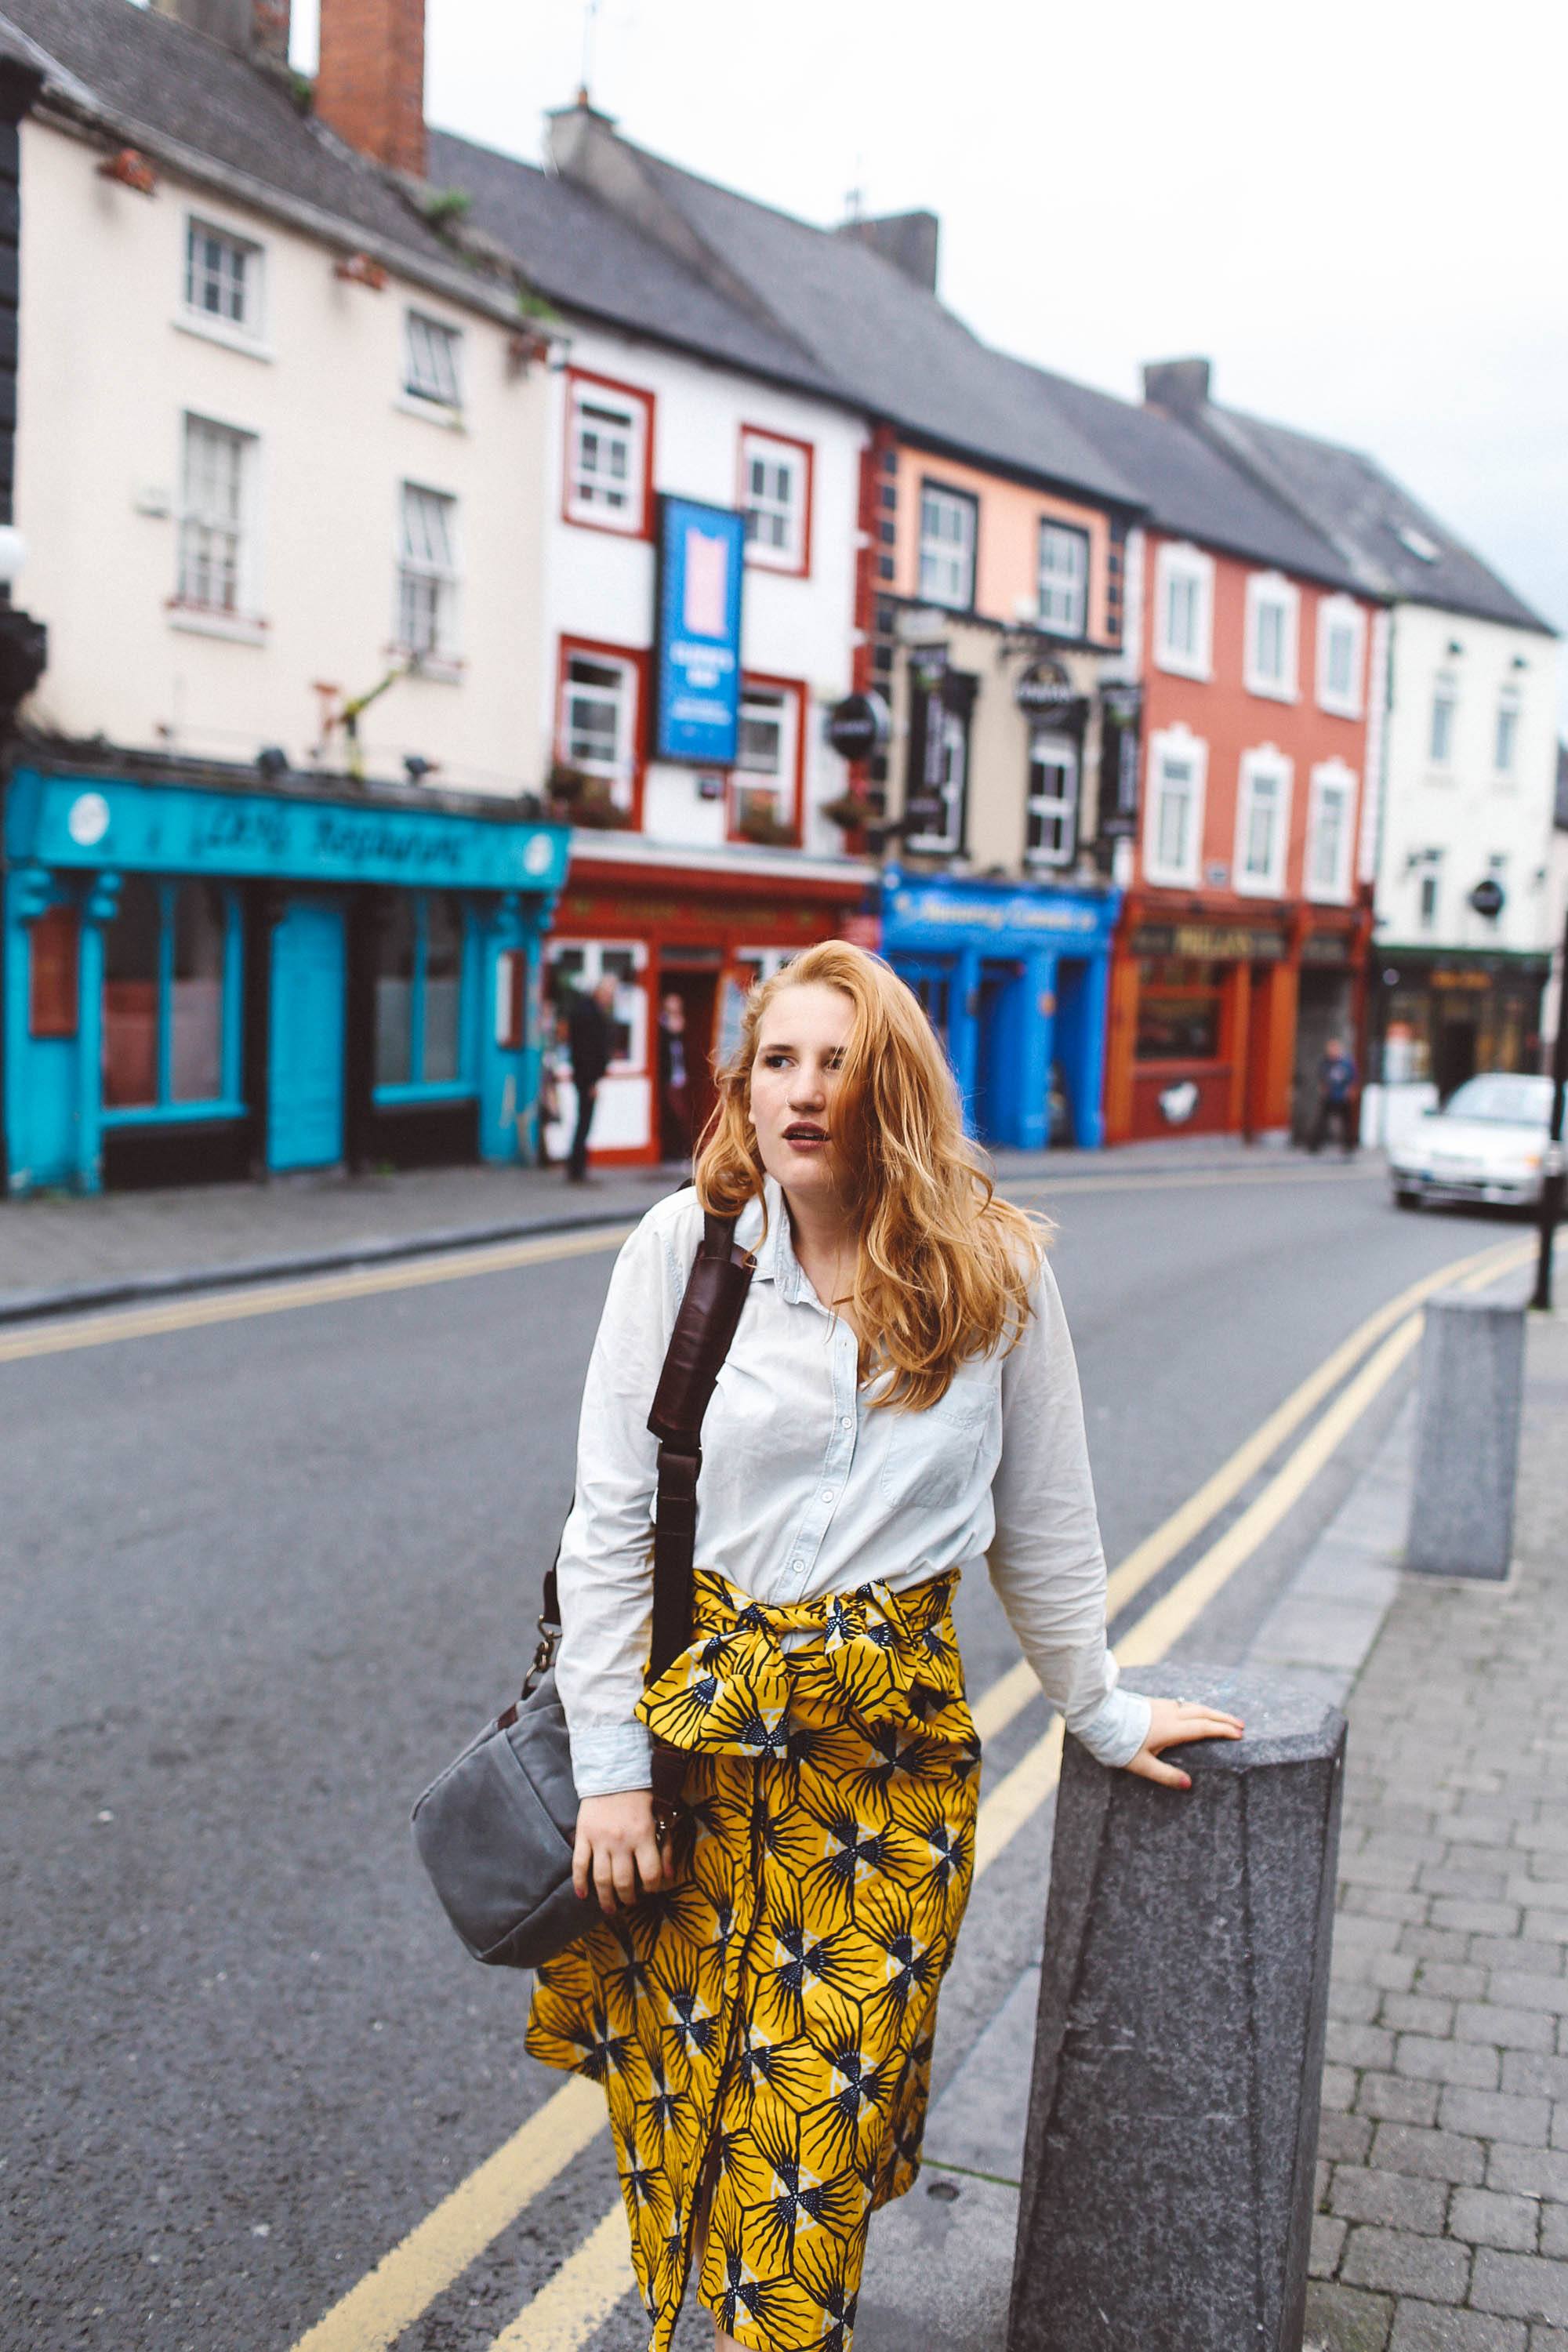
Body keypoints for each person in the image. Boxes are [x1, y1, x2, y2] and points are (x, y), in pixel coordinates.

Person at [528, 939, 1243, 2352]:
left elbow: (1042, 1525)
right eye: (776, 1062)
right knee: (683, 2119)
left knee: (811, 2149)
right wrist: (609, 1768)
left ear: (893, 1084)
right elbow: (609, 1525)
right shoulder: (686, 1253)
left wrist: (1101, 1710)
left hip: (887, 1768)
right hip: (692, 1761)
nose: (801, 1093)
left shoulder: (995, 1272)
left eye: (836, 1063)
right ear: (742, 1085)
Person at [564, 973, 619, 1185]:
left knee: (584, 1122)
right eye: (609, 993)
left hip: (585, 1076)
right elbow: (588, 1050)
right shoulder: (590, 1014)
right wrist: (592, 1081)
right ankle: (577, 1169)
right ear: (600, 992)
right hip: (587, 1078)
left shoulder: (587, 1011)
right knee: (584, 1122)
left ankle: (577, 1168)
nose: (610, 998)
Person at [655, 989, 696, 1167]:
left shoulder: (681, 1025)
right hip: (667, 1078)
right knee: (675, 1114)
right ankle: (673, 1152)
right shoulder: (662, 1024)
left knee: (683, 1115)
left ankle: (683, 1152)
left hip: (680, 1076)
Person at [1308, 1035, 1359, 1156]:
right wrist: (1323, 1088)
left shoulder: (1346, 1063)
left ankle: (1349, 1146)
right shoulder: (1326, 1062)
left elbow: (1353, 1077)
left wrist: (1351, 1090)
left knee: (1346, 1122)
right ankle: (1314, 1145)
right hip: (1330, 1095)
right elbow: (1321, 1076)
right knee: (1322, 1121)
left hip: (1343, 1096)